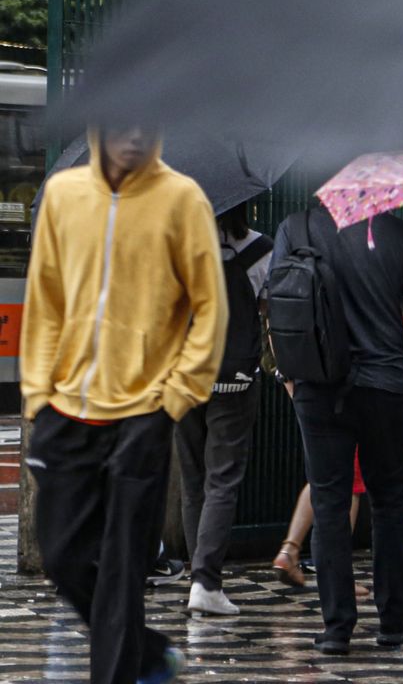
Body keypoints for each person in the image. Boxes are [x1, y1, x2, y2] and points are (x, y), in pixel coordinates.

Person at [22, 126, 224, 683]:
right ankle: (151, 655)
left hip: (143, 415)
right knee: (62, 556)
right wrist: (37, 393)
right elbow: (44, 301)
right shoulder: (64, 196)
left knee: (121, 572)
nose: (133, 135)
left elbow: (210, 307)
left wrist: (176, 397)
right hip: (66, 411)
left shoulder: (183, 200)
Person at [271, 203, 403, 655]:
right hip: (385, 384)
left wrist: (290, 379)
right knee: (389, 503)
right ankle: (393, 621)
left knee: (329, 503)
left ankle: (337, 627)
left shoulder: (293, 226)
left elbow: (279, 305)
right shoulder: (397, 232)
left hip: (318, 384)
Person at [177, 203, 273, 616]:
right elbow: (267, 308)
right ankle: (206, 580)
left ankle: (195, 571)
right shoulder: (260, 249)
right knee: (222, 477)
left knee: (192, 477)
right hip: (233, 379)